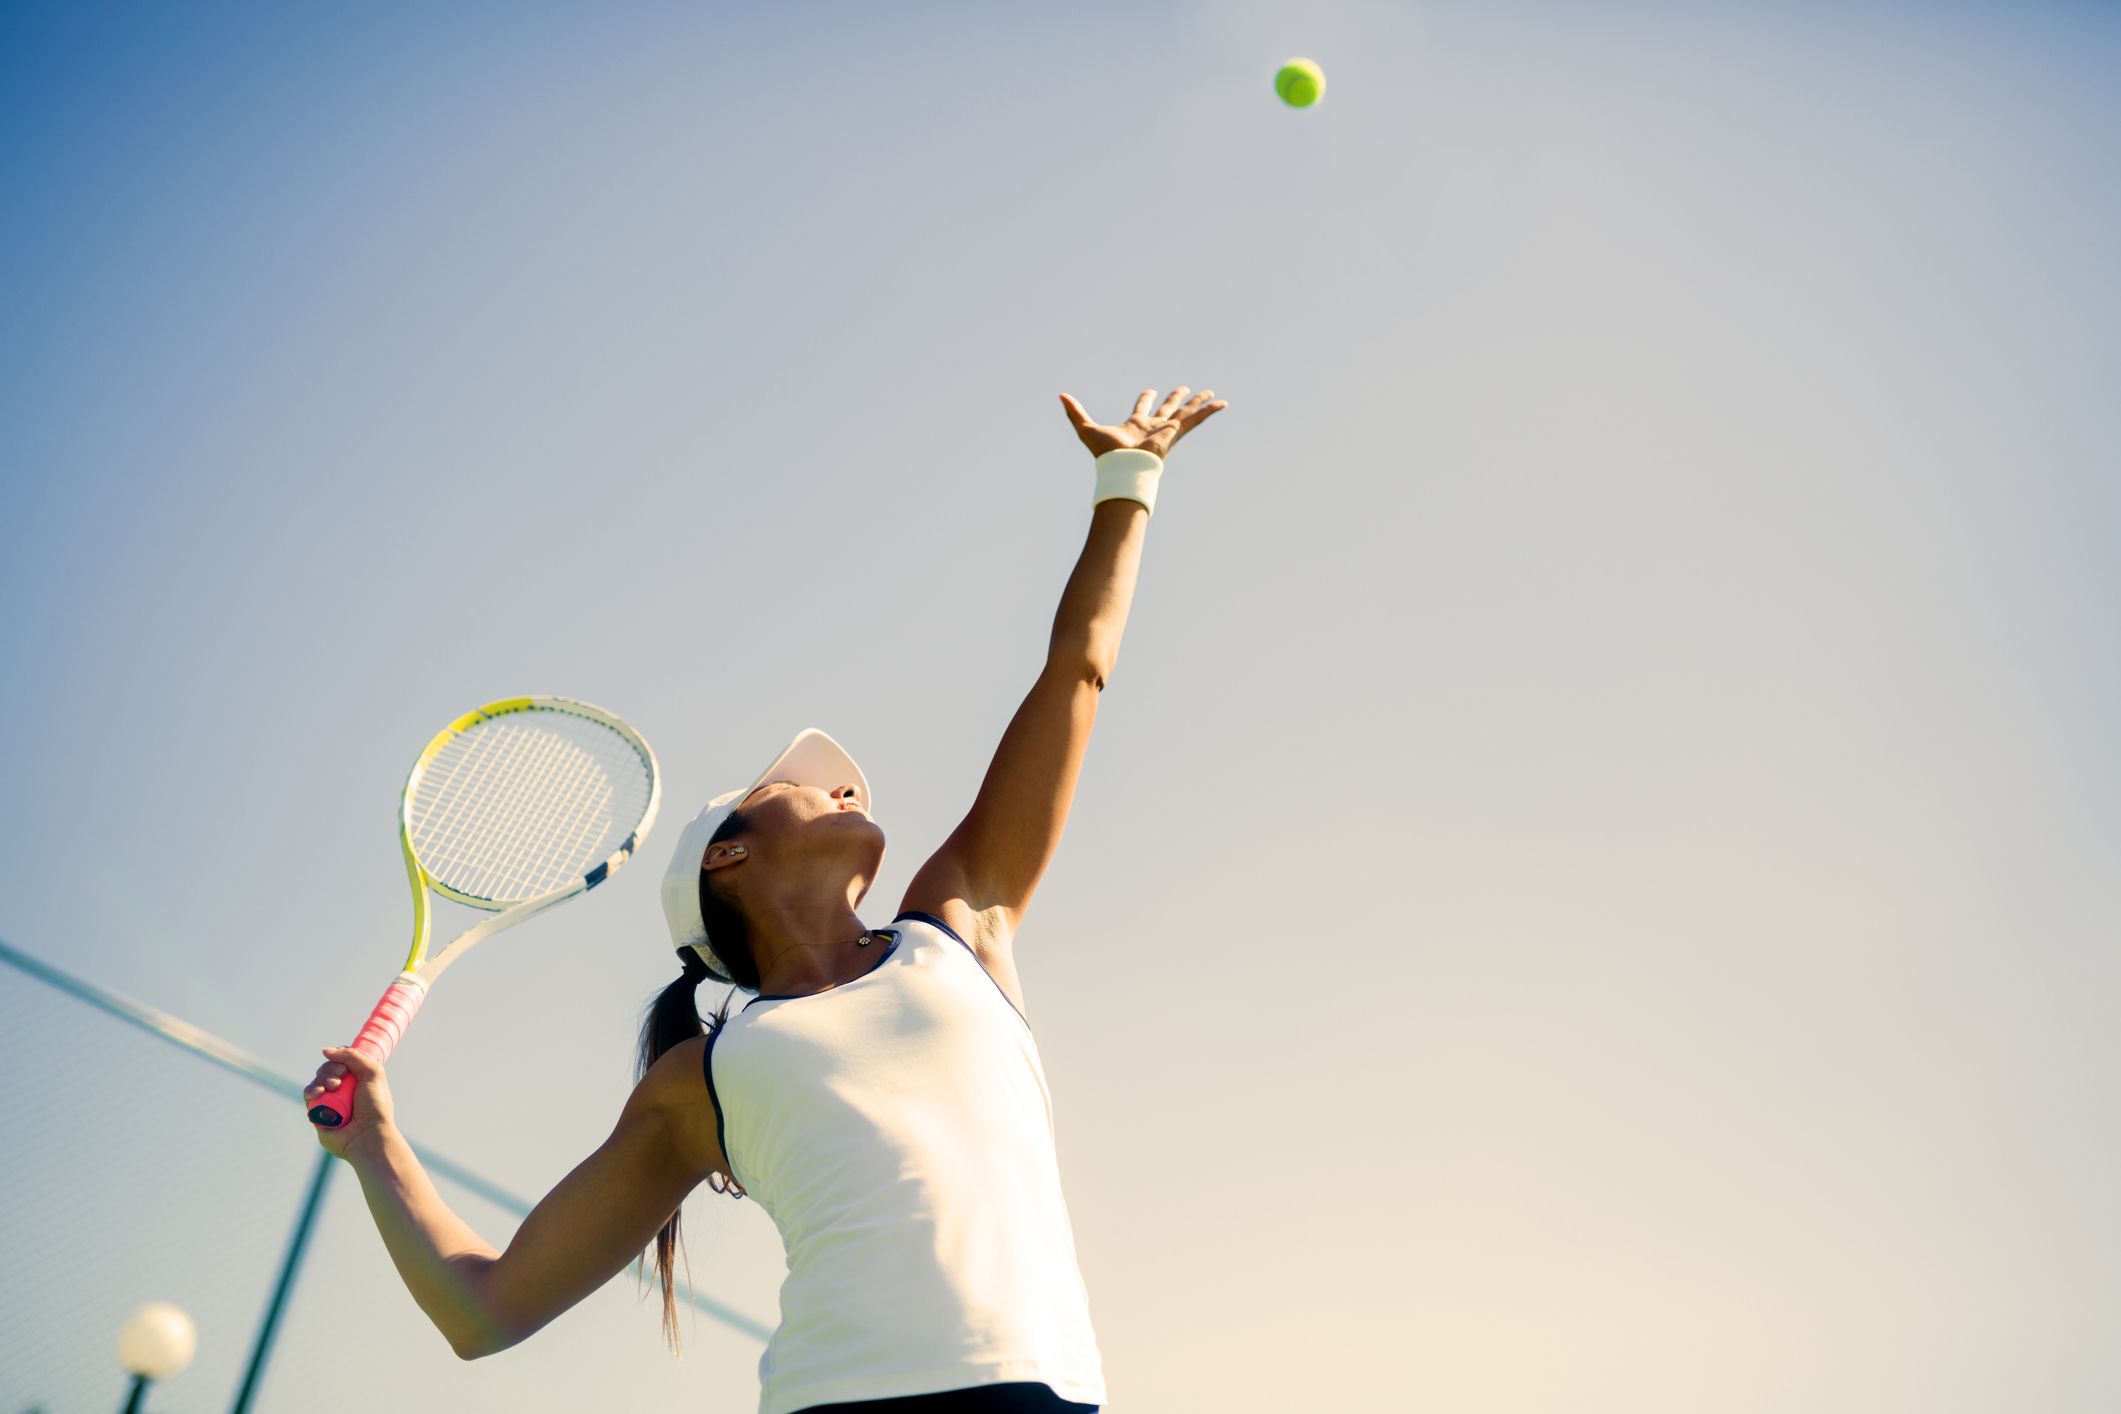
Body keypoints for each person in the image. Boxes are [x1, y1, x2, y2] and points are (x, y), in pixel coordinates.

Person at [304, 385, 1227, 1413]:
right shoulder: (704, 1078)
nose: (849, 787)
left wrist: (1125, 485)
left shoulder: (960, 924)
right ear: (727, 858)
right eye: (804, 782)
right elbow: (484, 1312)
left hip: (1046, 1395)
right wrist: (373, 1143)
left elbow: (1077, 673)